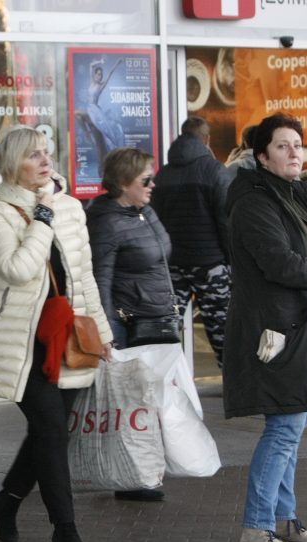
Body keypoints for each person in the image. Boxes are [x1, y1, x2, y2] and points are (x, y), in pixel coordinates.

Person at [0, 126, 113, 542]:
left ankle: (9, 500)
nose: (44, 160)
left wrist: (102, 335)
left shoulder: (72, 207)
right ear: (15, 164)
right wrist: (42, 221)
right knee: (51, 429)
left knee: (49, 432)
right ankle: (65, 532)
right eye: (34, 155)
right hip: (23, 345)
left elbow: (84, 277)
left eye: (45, 152)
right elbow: (18, 268)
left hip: (67, 338)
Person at [224, 112, 307, 542]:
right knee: (284, 426)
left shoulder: (294, 196)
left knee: (293, 424)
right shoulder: (255, 203)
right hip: (277, 330)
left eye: (298, 144)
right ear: (261, 156)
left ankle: (283, 520)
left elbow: (302, 255)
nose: (294, 152)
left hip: (301, 327)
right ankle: (256, 528)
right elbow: (278, 264)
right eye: (282, 145)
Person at [86, 147, 173, 502]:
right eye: (146, 180)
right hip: (127, 321)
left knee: (149, 400)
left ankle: (145, 472)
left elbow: (161, 258)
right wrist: (105, 331)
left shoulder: (144, 212)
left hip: (155, 316)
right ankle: (131, 478)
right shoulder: (107, 220)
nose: (153, 185)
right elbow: (100, 278)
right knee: (130, 404)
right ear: (123, 183)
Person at [151, 115, 233, 368]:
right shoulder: (215, 171)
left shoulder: (163, 174)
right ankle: (235, 386)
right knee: (222, 329)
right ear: (206, 139)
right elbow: (226, 221)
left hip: (173, 264)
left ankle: (165, 385)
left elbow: (156, 219)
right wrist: (231, 260)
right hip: (211, 264)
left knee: (166, 331)